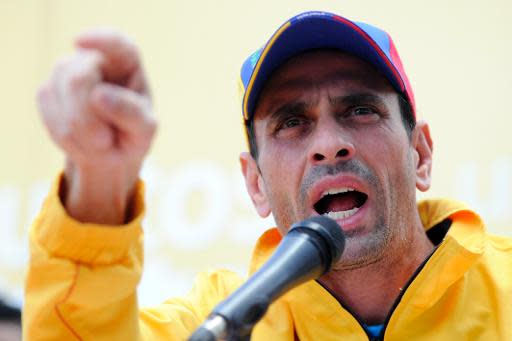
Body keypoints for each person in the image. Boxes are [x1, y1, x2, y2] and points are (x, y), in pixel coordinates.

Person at [24, 11, 511, 341]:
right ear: (255, 183)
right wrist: (98, 183)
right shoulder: (218, 322)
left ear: (420, 154)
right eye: (292, 122)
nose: (327, 144)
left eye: (360, 109)